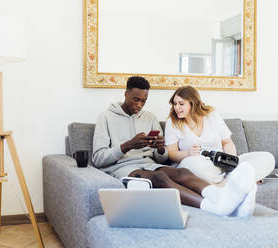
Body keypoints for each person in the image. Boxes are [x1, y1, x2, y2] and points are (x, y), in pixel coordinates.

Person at [92, 76, 257, 218]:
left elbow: (162, 158)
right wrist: (128, 145)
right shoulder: (105, 117)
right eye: (136, 99)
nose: (140, 105)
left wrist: (161, 148)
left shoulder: (149, 117)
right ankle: (214, 208)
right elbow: (98, 159)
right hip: (123, 168)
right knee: (160, 178)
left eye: (144, 101)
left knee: (182, 172)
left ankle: (222, 197)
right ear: (126, 94)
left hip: (150, 164)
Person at [164, 85, 275, 184]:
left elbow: (227, 142)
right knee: (194, 164)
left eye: (181, 104)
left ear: (193, 103)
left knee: (267, 158)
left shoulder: (212, 115)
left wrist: (230, 162)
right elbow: (171, 154)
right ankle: (239, 180)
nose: (176, 107)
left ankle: (231, 178)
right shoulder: (172, 122)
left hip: (221, 164)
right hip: (195, 163)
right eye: (175, 104)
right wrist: (188, 153)